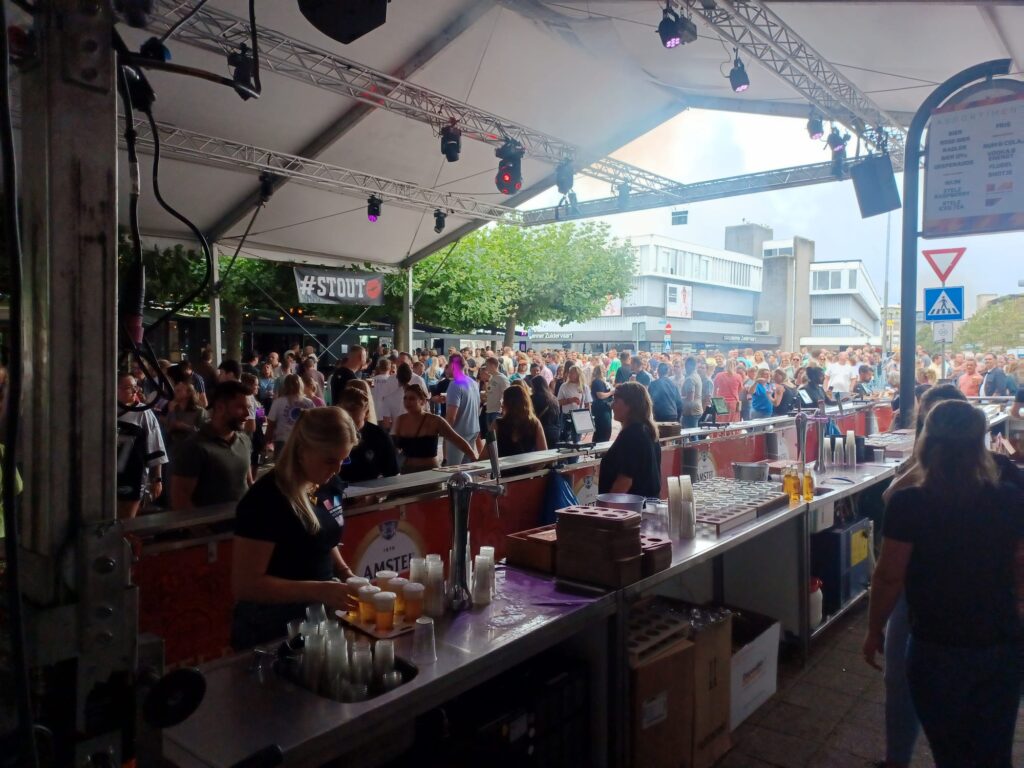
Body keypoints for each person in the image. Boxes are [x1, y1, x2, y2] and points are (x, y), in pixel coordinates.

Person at [863, 400, 1024, 768]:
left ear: (926, 441)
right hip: (1001, 643)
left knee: (949, 751)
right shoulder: (1010, 498)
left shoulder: (910, 503)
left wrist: (874, 630)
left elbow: (889, 576)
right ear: (980, 442)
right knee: (995, 750)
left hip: (936, 645)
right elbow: (1020, 563)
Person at [230, 407, 360, 649]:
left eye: (344, 460)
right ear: (302, 451)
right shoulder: (266, 498)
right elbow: (246, 585)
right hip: (270, 623)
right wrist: (320, 590)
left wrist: (346, 573)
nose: (337, 469)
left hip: (316, 614)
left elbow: (322, 537)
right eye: (330, 460)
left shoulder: (327, 483)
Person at [171, 381, 254, 511]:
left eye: (248, 408)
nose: (247, 414)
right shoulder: (193, 447)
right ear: (220, 407)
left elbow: (247, 482)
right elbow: (180, 498)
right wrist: (203, 524)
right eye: (240, 407)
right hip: (211, 522)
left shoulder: (244, 440)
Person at [116, 373, 167, 519]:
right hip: (107, 474)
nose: (135, 391)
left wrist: (157, 478)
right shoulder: (104, 410)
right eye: (128, 387)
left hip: (132, 476)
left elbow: (155, 446)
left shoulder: (143, 412)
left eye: (135, 387)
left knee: (126, 519)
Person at [393, 385, 476, 472]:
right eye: (405, 398)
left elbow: (456, 439)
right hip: (406, 470)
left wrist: (473, 457)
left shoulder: (435, 420)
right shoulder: (400, 420)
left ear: (422, 401)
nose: (407, 402)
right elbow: (394, 446)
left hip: (429, 470)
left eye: (412, 398)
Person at [598, 382, 661, 498]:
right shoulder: (648, 430)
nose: (612, 406)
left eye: (616, 401)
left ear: (630, 406)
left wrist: (607, 506)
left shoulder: (632, 434)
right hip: (646, 504)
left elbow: (624, 482)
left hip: (630, 506)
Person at [335, 388, 399, 483]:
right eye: (344, 409)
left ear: (366, 412)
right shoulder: (331, 434)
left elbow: (392, 473)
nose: (348, 414)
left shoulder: (379, 436)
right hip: (337, 489)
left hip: (370, 488)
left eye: (353, 409)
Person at [444, 354, 481, 466]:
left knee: (453, 469)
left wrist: (446, 432)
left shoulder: (455, 384)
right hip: (473, 428)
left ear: (452, 365)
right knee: (467, 468)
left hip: (459, 432)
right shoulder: (473, 382)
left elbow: (452, 416)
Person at [266, 374, 315, 453]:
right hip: (303, 440)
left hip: (282, 440)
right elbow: (314, 423)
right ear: (301, 385)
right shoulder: (309, 403)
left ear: (285, 386)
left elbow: (271, 424)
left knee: (282, 461)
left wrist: (267, 440)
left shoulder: (278, 402)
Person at [493, 385, 547, 457]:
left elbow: (486, 454)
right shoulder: (535, 423)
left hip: (503, 464)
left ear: (506, 403)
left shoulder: (497, 424)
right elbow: (544, 454)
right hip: (528, 463)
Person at [531, 375, 562, 449]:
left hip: (540, 432)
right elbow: (558, 417)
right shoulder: (554, 399)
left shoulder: (532, 399)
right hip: (554, 432)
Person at [484, 357, 510, 429]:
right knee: (490, 433)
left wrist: (503, 409)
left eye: (487, 366)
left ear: (493, 366)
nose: (486, 368)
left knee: (496, 433)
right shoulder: (492, 377)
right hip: (489, 410)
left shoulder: (502, 378)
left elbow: (507, 395)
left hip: (497, 411)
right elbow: (490, 391)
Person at [590, 365, 614, 443]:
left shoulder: (601, 381)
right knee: (603, 429)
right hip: (601, 409)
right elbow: (600, 395)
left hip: (603, 408)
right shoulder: (597, 382)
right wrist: (611, 392)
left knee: (604, 430)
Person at [679, 357, 703, 429]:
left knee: (690, 433)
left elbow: (690, 398)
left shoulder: (690, 379)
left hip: (691, 412)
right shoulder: (697, 376)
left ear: (688, 366)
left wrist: (679, 398)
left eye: (685, 365)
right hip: (697, 409)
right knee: (694, 432)